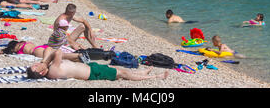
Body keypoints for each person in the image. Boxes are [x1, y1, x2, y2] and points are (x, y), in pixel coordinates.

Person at [27, 48, 169, 81]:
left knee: (118, 69)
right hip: (93, 73)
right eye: (36, 66)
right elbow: (56, 51)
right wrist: (45, 62)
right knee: (123, 74)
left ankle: (141, 73)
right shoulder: (52, 69)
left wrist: (44, 62)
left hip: (92, 68)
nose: (37, 63)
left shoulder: (51, 67)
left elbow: (49, 50)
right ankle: (155, 77)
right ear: (41, 73)